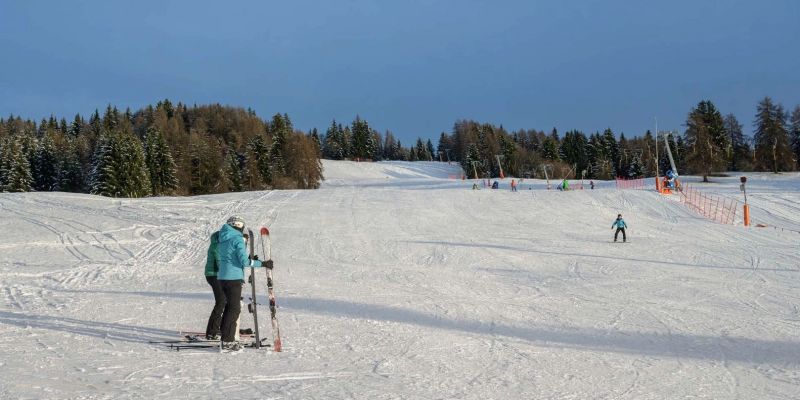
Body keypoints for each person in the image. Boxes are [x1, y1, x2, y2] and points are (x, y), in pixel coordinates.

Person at [212, 215, 272, 351]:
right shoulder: (237, 238)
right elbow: (244, 262)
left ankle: (226, 338)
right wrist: (262, 263)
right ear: (239, 226)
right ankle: (227, 341)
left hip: (223, 277)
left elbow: (233, 256)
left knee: (229, 308)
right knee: (234, 309)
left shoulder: (223, 237)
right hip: (233, 278)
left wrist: (249, 258)